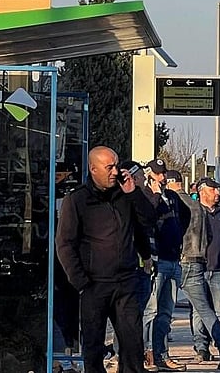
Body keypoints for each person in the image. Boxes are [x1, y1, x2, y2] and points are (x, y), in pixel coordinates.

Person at [55, 146, 158, 373]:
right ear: (93, 169)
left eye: (116, 165)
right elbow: (64, 243)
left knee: (132, 343)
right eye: (109, 167)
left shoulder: (125, 194)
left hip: (125, 282)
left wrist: (134, 192)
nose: (115, 171)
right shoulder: (78, 200)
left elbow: (148, 222)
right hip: (94, 284)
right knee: (93, 346)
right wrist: (81, 281)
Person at [177, 174, 220, 368]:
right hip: (198, 265)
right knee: (200, 310)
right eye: (212, 189)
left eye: (218, 189)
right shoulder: (193, 211)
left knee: (215, 309)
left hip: (216, 268)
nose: (217, 193)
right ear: (202, 192)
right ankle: (202, 347)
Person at [141, 158, 191, 372]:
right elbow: (146, 217)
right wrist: (153, 194)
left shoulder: (171, 197)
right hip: (157, 260)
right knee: (150, 312)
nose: (161, 178)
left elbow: (185, 216)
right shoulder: (145, 196)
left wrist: (178, 235)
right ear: (149, 174)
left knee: (165, 312)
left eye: (163, 173)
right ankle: (146, 354)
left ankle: (162, 353)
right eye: (157, 174)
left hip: (173, 260)